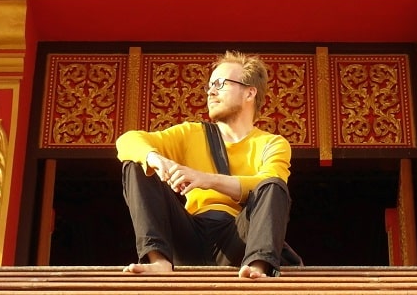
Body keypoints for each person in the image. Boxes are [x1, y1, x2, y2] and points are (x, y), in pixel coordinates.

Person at [116, 50, 296, 279]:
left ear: (250, 92)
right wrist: (155, 159)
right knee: (137, 164)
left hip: (238, 240)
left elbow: (268, 183)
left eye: (220, 84)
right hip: (189, 235)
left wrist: (207, 179)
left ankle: (258, 267)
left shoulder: (272, 143)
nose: (211, 92)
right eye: (210, 85)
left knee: (273, 186)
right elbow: (127, 140)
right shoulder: (191, 132)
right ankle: (159, 260)